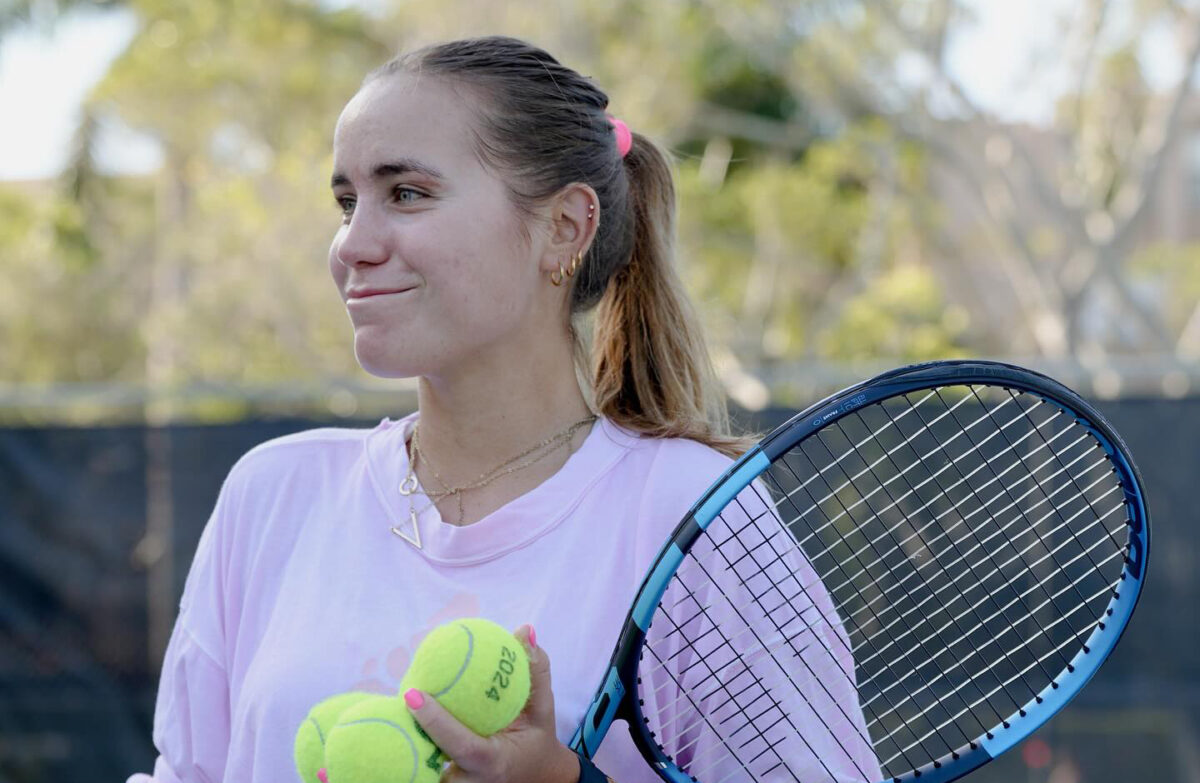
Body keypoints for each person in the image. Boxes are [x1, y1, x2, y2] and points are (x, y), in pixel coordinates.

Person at [128, 35, 878, 783]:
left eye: (407, 193)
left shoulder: (694, 515)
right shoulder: (272, 495)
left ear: (564, 227)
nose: (352, 243)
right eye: (347, 201)